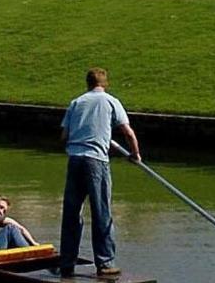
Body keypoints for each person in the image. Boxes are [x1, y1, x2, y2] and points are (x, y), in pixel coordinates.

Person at [57, 67, 139, 278]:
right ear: (105, 83)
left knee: (72, 214)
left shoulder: (76, 103)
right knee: (101, 212)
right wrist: (135, 154)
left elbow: (64, 137)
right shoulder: (111, 101)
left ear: (87, 83)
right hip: (96, 161)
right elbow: (128, 132)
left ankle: (67, 263)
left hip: (75, 159)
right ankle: (105, 263)